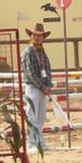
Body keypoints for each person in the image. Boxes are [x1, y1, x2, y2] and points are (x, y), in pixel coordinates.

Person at [21, 23, 53, 153]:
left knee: (40, 116)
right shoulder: (28, 52)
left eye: (39, 35)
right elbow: (30, 73)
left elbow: (47, 68)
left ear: (43, 37)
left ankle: (39, 142)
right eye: (35, 35)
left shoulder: (41, 51)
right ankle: (31, 143)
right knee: (32, 116)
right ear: (31, 36)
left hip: (41, 87)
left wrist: (48, 85)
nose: (37, 37)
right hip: (33, 87)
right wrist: (43, 86)